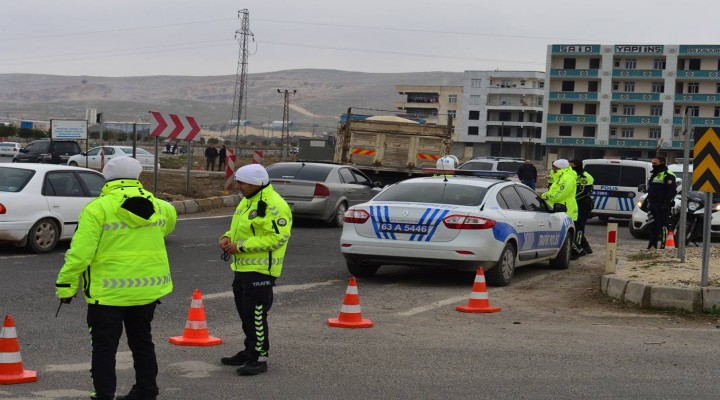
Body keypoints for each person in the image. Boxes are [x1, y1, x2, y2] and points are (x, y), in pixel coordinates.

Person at [55, 156, 177, 400]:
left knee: (104, 348)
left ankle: (103, 395)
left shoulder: (98, 208)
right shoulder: (163, 207)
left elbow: (80, 255)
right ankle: (147, 390)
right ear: (138, 176)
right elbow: (167, 228)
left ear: (106, 176)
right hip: (147, 291)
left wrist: (66, 286)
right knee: (142, 342)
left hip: (107, 294)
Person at [219, 164, 293, 376]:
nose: (238, 186)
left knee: (257, 315)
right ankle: (250, 350)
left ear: (256, 183)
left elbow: (278, 237)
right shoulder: (248, 200)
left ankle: (259, 358)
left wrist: (241, 246)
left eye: (242, 183)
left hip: (261, 270)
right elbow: (239, 227)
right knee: (246, 314)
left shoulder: (275, 205)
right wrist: (226, 237)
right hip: (242, 268)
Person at [540, 159, 581, 258]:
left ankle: (572, 254)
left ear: (560, 167)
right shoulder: (561, 176)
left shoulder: (567, 178)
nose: (552, 168)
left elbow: (558, 195)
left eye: (554, 166)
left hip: (565, 210)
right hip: (559, 209)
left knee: (565, 236)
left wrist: (545, 196)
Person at [646, 156, 676, 250]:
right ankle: (652, 244)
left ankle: (663, 245)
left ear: (662, 163)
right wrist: (647, 200)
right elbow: (651, 190)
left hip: (662, 205)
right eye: (652, 164)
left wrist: (666, 203)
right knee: (652, 225)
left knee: (663, 226)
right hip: (653, 204)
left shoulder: (668, 174)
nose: (653, 165)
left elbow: (671, 191)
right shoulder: (655, 174)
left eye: (655, 164)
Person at [570, 159, 595, 256]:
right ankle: (586, 248)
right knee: (575, 226)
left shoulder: (586, 176)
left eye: (571, 164)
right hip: (573, 205)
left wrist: (572, 199)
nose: (569, 167)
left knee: (579, 227)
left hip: (583, 205)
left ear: (575, 165)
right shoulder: (571, 175)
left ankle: (578, 249)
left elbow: (584, 192)